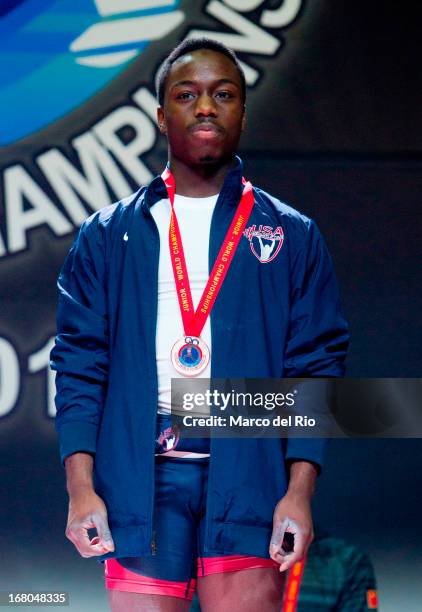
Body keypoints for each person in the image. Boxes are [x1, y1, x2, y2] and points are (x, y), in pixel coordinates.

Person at [50, 38, 349, 611]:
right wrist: (80, 489)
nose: (206, 107)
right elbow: (79, 366)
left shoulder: (291, 235)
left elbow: (315, 368)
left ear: (243, 110)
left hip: (249, 474)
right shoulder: (108, 234)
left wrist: (299, 493)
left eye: (224, 94)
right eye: (187, 95)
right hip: (139, 478)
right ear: (162, 115)